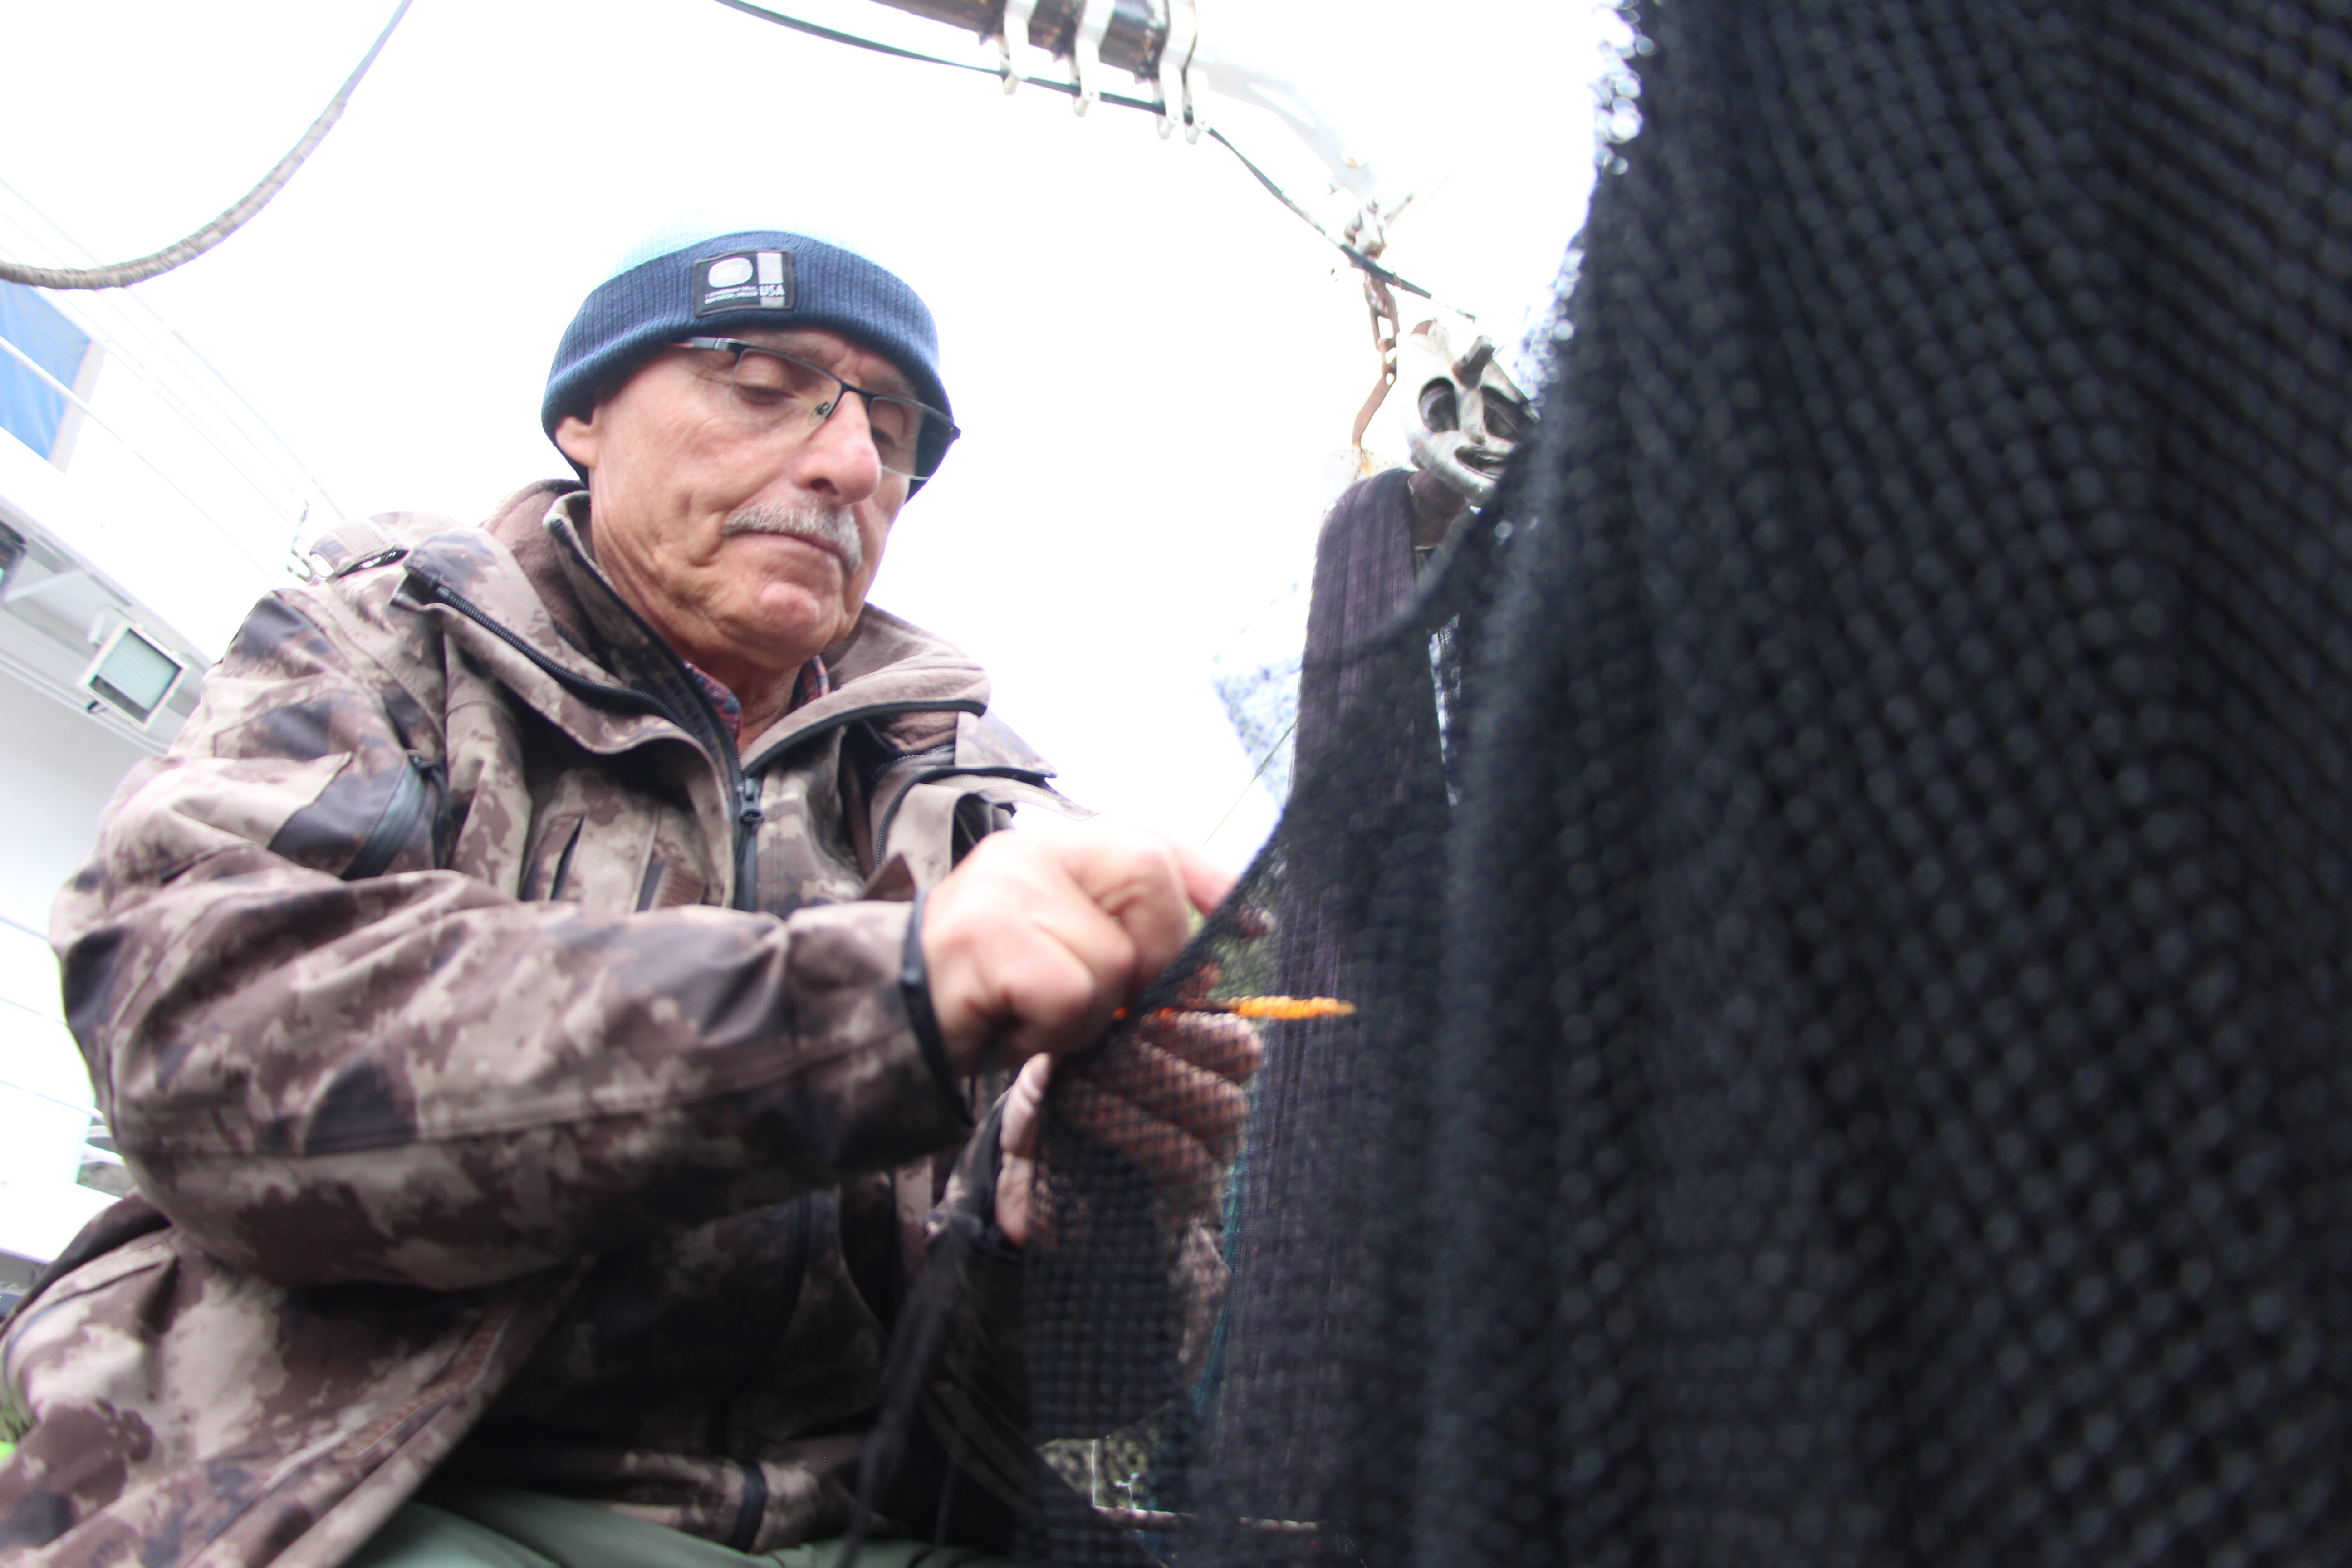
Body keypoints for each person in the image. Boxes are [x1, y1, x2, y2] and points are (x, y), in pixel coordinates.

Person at [0, 225, 1258, 1568]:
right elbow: (215, 1043)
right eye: (765, 386)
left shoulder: (988, 810)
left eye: (893, 434)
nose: (850, 464)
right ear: (584, 417)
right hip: (362, 1507)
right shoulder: (380, 652)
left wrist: (1073, 1222)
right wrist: (876, 1001)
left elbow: (1081, 1401)